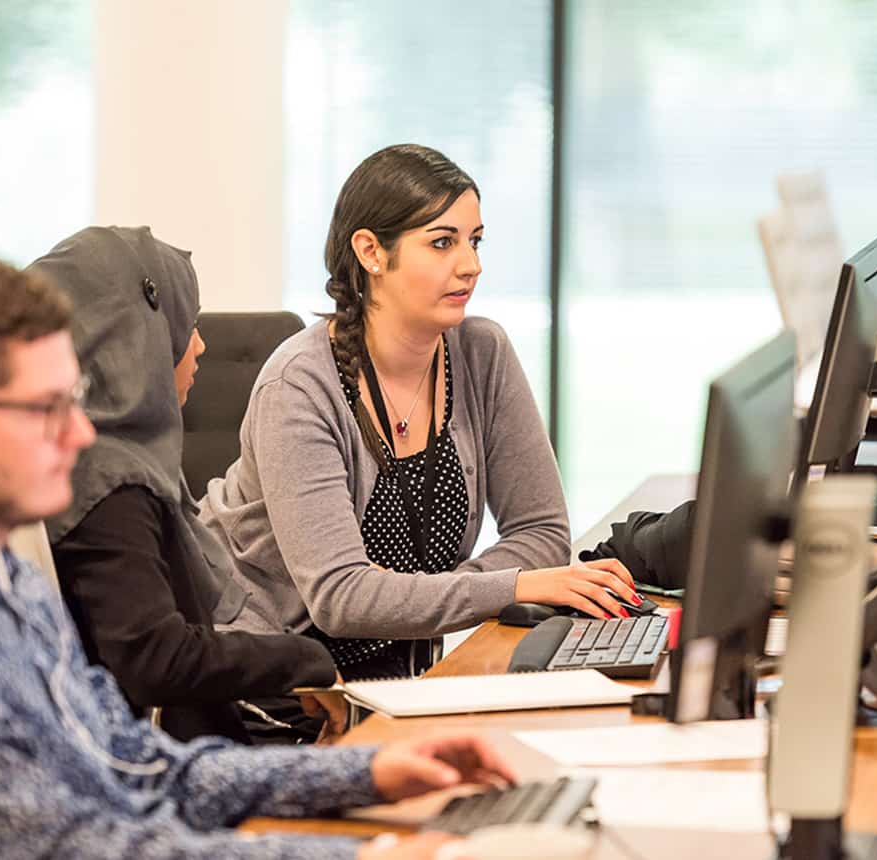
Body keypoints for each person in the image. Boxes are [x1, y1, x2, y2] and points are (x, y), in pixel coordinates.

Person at [0, 245, 514, 859]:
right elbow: (73, 849)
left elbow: (138, 764)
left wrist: (364, 772)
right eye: (46, 408)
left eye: (72, 399)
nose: (78, 434)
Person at [201, 143, 639, 680]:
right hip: (278, 684)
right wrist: (513, 585)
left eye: (474, 241)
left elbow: (542, 531)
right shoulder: (300, 385)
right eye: (442, 243)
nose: (471, 265)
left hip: (401, 675)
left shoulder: (482, 353)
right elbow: (341, 597)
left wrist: (438, 596)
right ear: (371, 252)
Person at [34, 226, 342, 745]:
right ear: (137, 336)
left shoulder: (104, 461)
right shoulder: (110, 484)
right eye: (187, 324)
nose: (199, 345)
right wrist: (303, 660)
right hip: (164, 767)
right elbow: (155, 659)